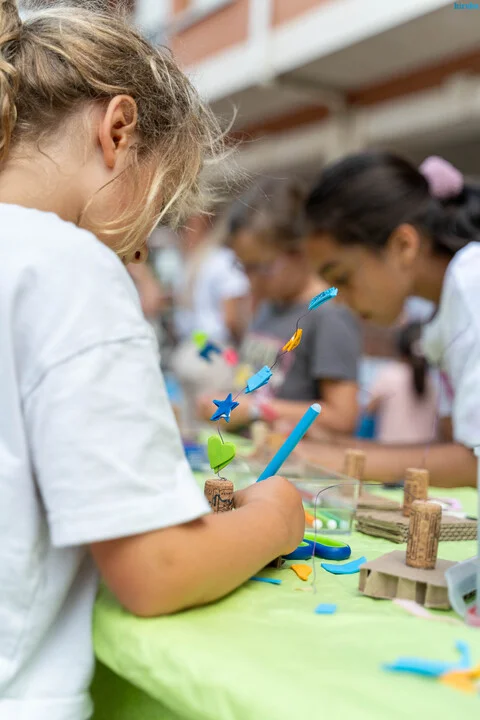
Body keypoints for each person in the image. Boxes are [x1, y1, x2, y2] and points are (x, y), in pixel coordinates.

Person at [0, 3, 304, 718]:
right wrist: (277, 515)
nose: (140, 247)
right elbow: (157, 570)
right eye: (158, 205)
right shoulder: (66, 265)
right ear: (118, 131)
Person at [300, 151, 480, 487]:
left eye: (342, 278)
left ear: (403, 245)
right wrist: (337, 446)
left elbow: (474, 462)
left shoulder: (473, 284)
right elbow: (456, 446)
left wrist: (331, 458)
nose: (341, 300)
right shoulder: (441, 307)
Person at [198, 178, 361, 434]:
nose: (251, 280)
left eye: (261, 267)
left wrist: (254, 409)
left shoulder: (329, 315)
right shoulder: (271, 304)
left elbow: (342, 418)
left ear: (302, 251)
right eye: (243, 266)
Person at [365, 322, 438, 444]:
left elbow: (369, 409)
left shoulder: (390, 374)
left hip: (392, 451)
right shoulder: (433, 381)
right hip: (426, 451)